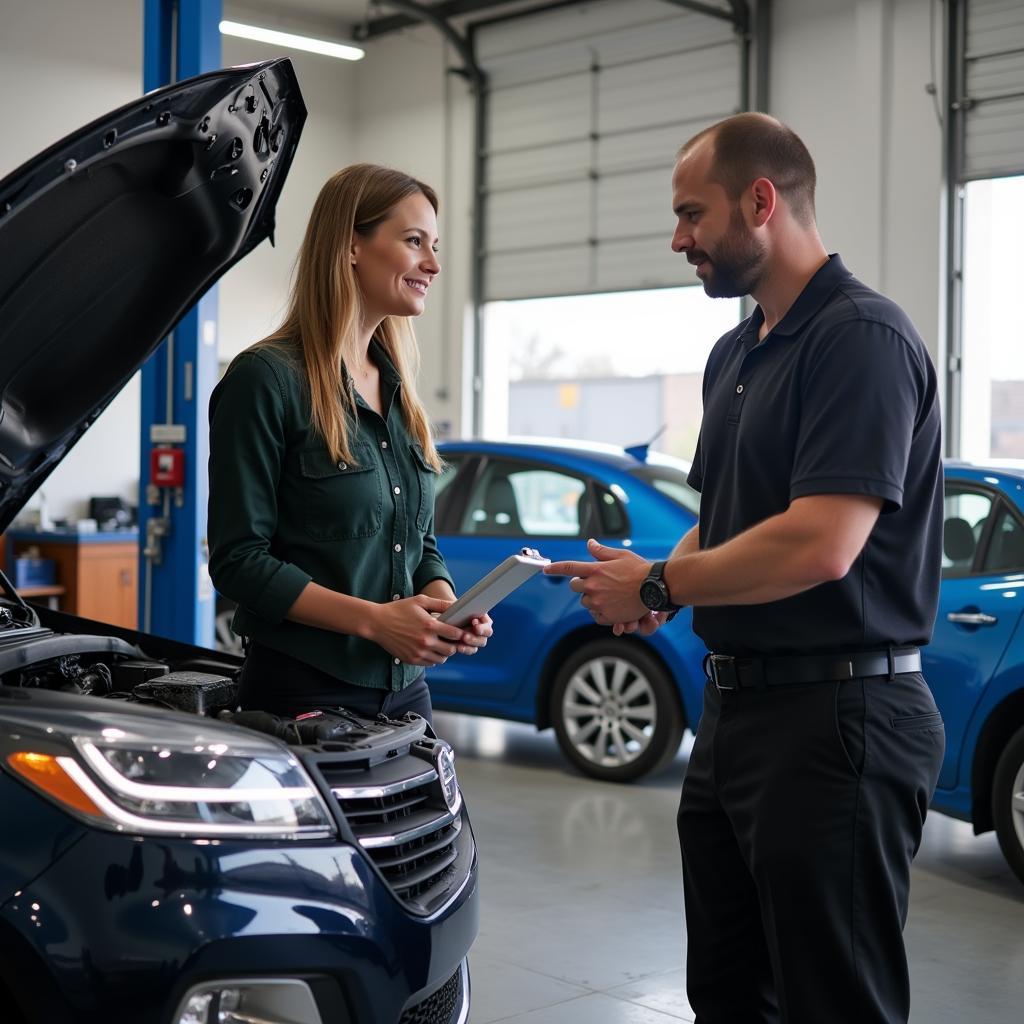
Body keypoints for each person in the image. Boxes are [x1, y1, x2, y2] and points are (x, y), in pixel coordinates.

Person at [545, 113, 945, 1024]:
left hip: (840, 718)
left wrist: (660, 586)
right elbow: (720, 520)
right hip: (736, 717)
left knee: (830, 1000)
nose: (679, 238)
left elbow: (821, 542)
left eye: (693, 213)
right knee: (728, 992)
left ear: (762, 202)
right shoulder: (736, 351)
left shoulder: (862, 340)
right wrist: (657, 572)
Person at [208, 163, 491, 725]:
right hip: (301, 694)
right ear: (352, 246)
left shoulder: (400, 393)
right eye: (414, 242)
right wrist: (375, 621)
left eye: (433, 246)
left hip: (407, 696)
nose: (433, 265)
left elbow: (420, 542)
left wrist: (445, 605)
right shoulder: (265, 379)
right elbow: (238, 561)